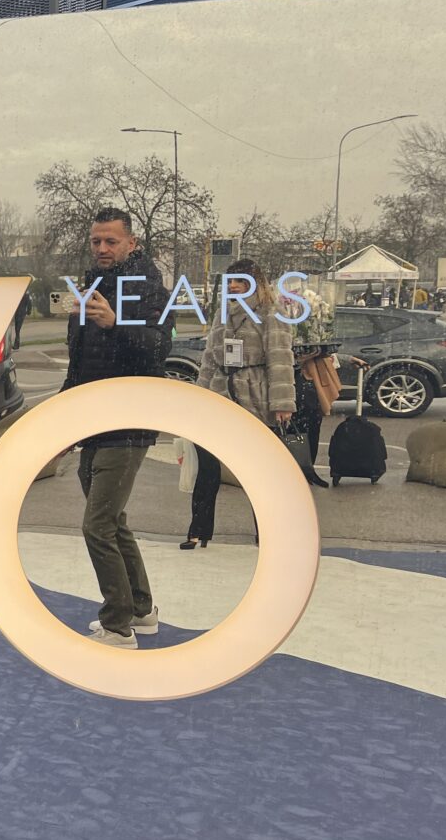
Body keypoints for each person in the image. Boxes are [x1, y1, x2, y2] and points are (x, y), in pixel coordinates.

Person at [62, 208, 170, 648]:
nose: (102, 249)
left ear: (131, 243)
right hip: (94, 422)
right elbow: (80, 362)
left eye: (111, 241)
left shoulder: (149, 289)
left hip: (128, 424)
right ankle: (140, 610)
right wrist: (60, 421)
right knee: (112, 521)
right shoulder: (93, 287)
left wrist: (115, 323)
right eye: (96, 241)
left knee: (98, 526)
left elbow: (158, 350)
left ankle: (118, 625)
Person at [183, 260, 296, 548]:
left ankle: (268, 531)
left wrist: (282, 403)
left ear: (255, 282)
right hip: (220, 393)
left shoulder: (270, 312)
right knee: (208, 466)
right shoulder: (223, 313)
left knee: (259, 472)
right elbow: (210, 358)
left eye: (240, 281)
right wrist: (199, 396)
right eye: (230, 281)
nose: (233, 286)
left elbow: (280, 358)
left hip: (253, 395)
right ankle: (198, 530)